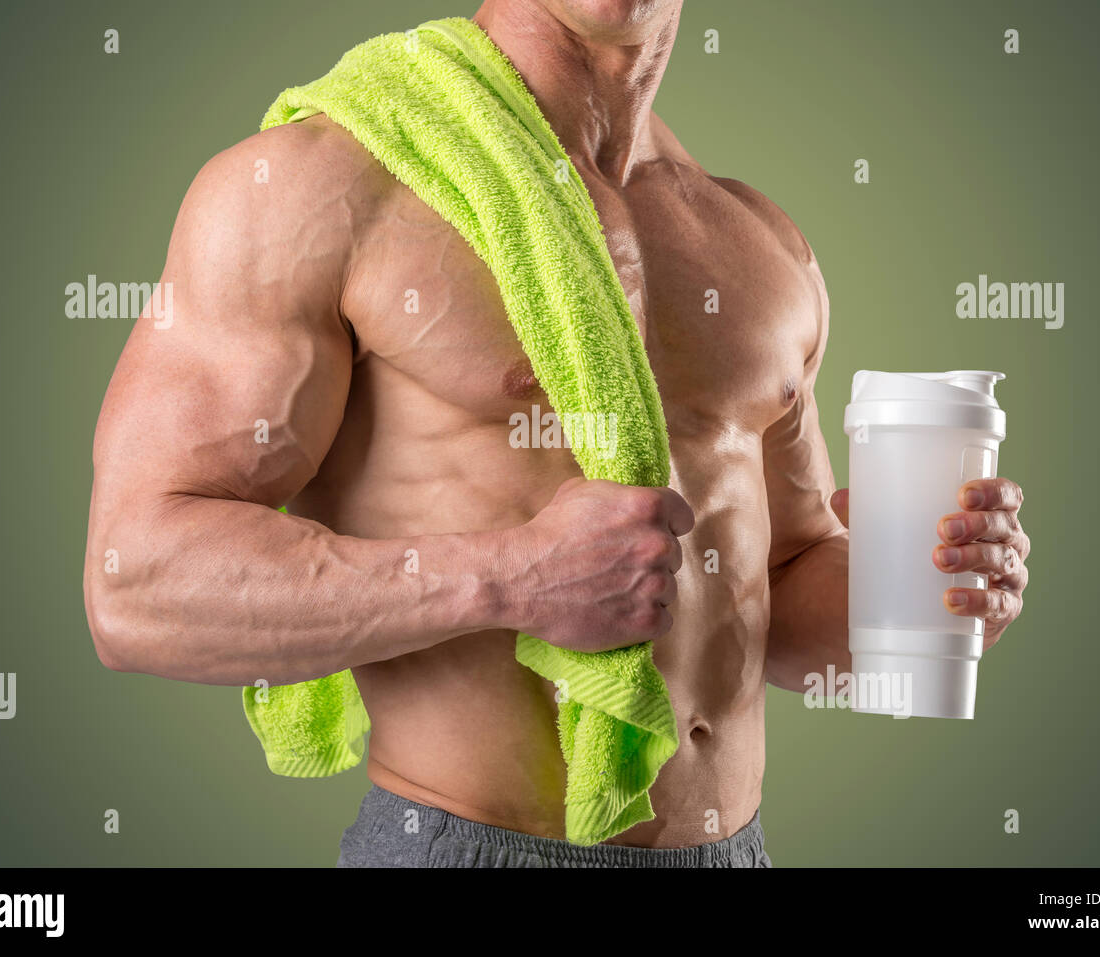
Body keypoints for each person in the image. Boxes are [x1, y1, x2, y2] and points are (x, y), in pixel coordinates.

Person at [83, 0, 1030, 867]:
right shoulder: (318, 185)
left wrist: (922, 588)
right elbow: (135, 583)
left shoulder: (757, 242)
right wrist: (510, 576)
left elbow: (778, 588)